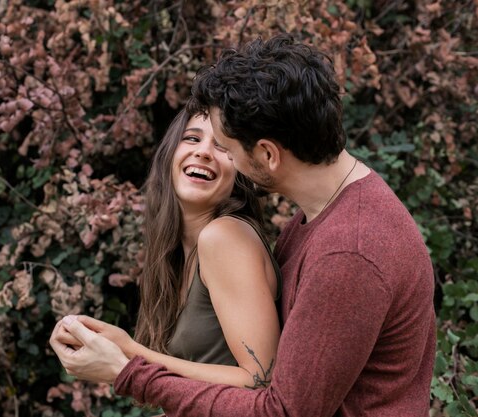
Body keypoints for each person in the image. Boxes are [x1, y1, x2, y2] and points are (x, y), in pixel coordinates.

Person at [50, 34, 436, 417]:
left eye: (227, 146)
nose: (215, 153)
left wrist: (128, 371)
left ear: (267, 154)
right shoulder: (320, 216)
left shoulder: (350, 251)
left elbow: (281, 411)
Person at [55, 108, 281, 389]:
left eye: (223, 144)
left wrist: (127, 357)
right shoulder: (177, 253)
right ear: (169, 154)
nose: (204, 152)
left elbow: (261, 381)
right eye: (191, 138)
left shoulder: (225, 236)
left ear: (242, 171)